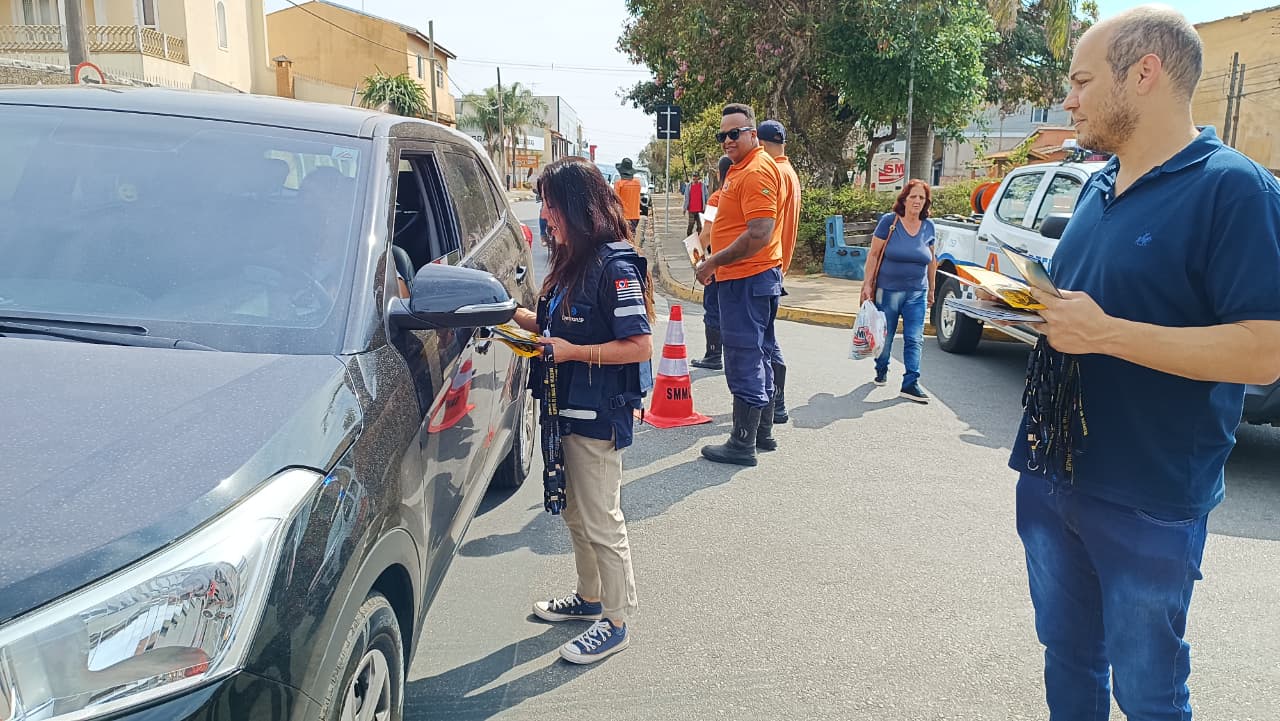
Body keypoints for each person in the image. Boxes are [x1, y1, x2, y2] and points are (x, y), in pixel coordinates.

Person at [1010, 7, 1280, 719]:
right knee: (1066, 660)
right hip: (1053, 473)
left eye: (1081, 81)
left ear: (1144, 74)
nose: (1068, 100)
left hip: (1148, 498)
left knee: (1148, 693)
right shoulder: (1098, 186)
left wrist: (1105, 334)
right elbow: (1089, 310)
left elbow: (1264, 349)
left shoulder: (1234, 188)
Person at [510, 156, 655, 665]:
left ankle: (615, 621)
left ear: (575, 205)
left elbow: (638, 345)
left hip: (597, 415)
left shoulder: (614, 265)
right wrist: (509, 316)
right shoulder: (571, 261)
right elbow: (554, 327)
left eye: (550, 204)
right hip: (563, 409)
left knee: (601, 519)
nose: (544, 214)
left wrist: (572, 353)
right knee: (575, 514)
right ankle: (589, 599)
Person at [695, 103, 783, 466]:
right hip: (747, 279)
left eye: (734, 133)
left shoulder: (756, 171)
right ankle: (762, 433)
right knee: (757, 354)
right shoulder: (739, 169)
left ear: (751, 134)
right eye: (723, 135)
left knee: (745, 356)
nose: (727, 141)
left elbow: (759, 233)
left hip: (747, 280)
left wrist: (713, 261)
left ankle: (742, 443)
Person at [859, 179, 936, 403]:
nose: (917, 201)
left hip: (917, 293)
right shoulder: (889, 222)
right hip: (888, 291)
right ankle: (881, 368)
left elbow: (932, 260)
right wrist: (867, 284)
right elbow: (873, 255)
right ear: (904, 198)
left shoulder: (929, 226)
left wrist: (932, 288)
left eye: (922, 198)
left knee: (914, 339)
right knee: (886, 338)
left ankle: (911, 383)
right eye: (913, 196)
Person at [757, 119, 801, 423]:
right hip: (778, 264)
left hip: (767, 265)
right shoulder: (790, 172)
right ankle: (776, 401)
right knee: (767, 337)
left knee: (765, 341)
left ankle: (777, 402)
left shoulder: (775, 173)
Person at [691, 155, 734, 371]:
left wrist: (698, 259)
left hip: (718, 265)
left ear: (718, 173)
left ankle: (714, 354)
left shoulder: (717, 199)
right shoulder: (740, 195)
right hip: (740, 265)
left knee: (713, 309)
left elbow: (707, 233)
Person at [612, 158, 644, 234]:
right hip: (635, 216)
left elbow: (615, 200)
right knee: (632, 235)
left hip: (623, 216)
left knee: (623, 238)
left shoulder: (619, 184)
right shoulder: (637, 183)